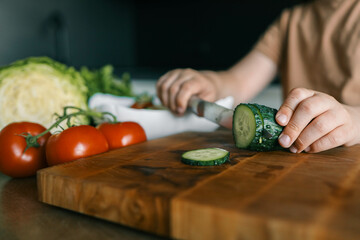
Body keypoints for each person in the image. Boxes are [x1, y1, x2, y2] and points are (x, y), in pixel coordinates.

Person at [156, 0, 360, 154]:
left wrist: (354, 120)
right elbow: (238, 81)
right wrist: (211, 83)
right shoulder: (291, 20)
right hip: (295, 164)